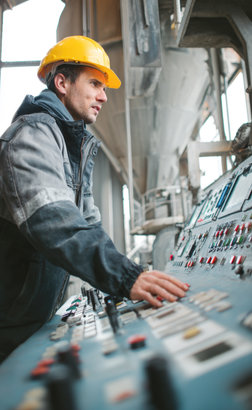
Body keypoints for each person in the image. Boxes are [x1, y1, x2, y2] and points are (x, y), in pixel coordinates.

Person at [0, 36, 189, 362]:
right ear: (61, 82)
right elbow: (55, 223)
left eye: (104, 87)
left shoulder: (74, 145)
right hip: (8, 321)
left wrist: (128, 274)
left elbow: (89, 223)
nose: (104, 96)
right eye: (94, 84)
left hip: (30, 317)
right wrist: (126, 278)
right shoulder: (31, 135)